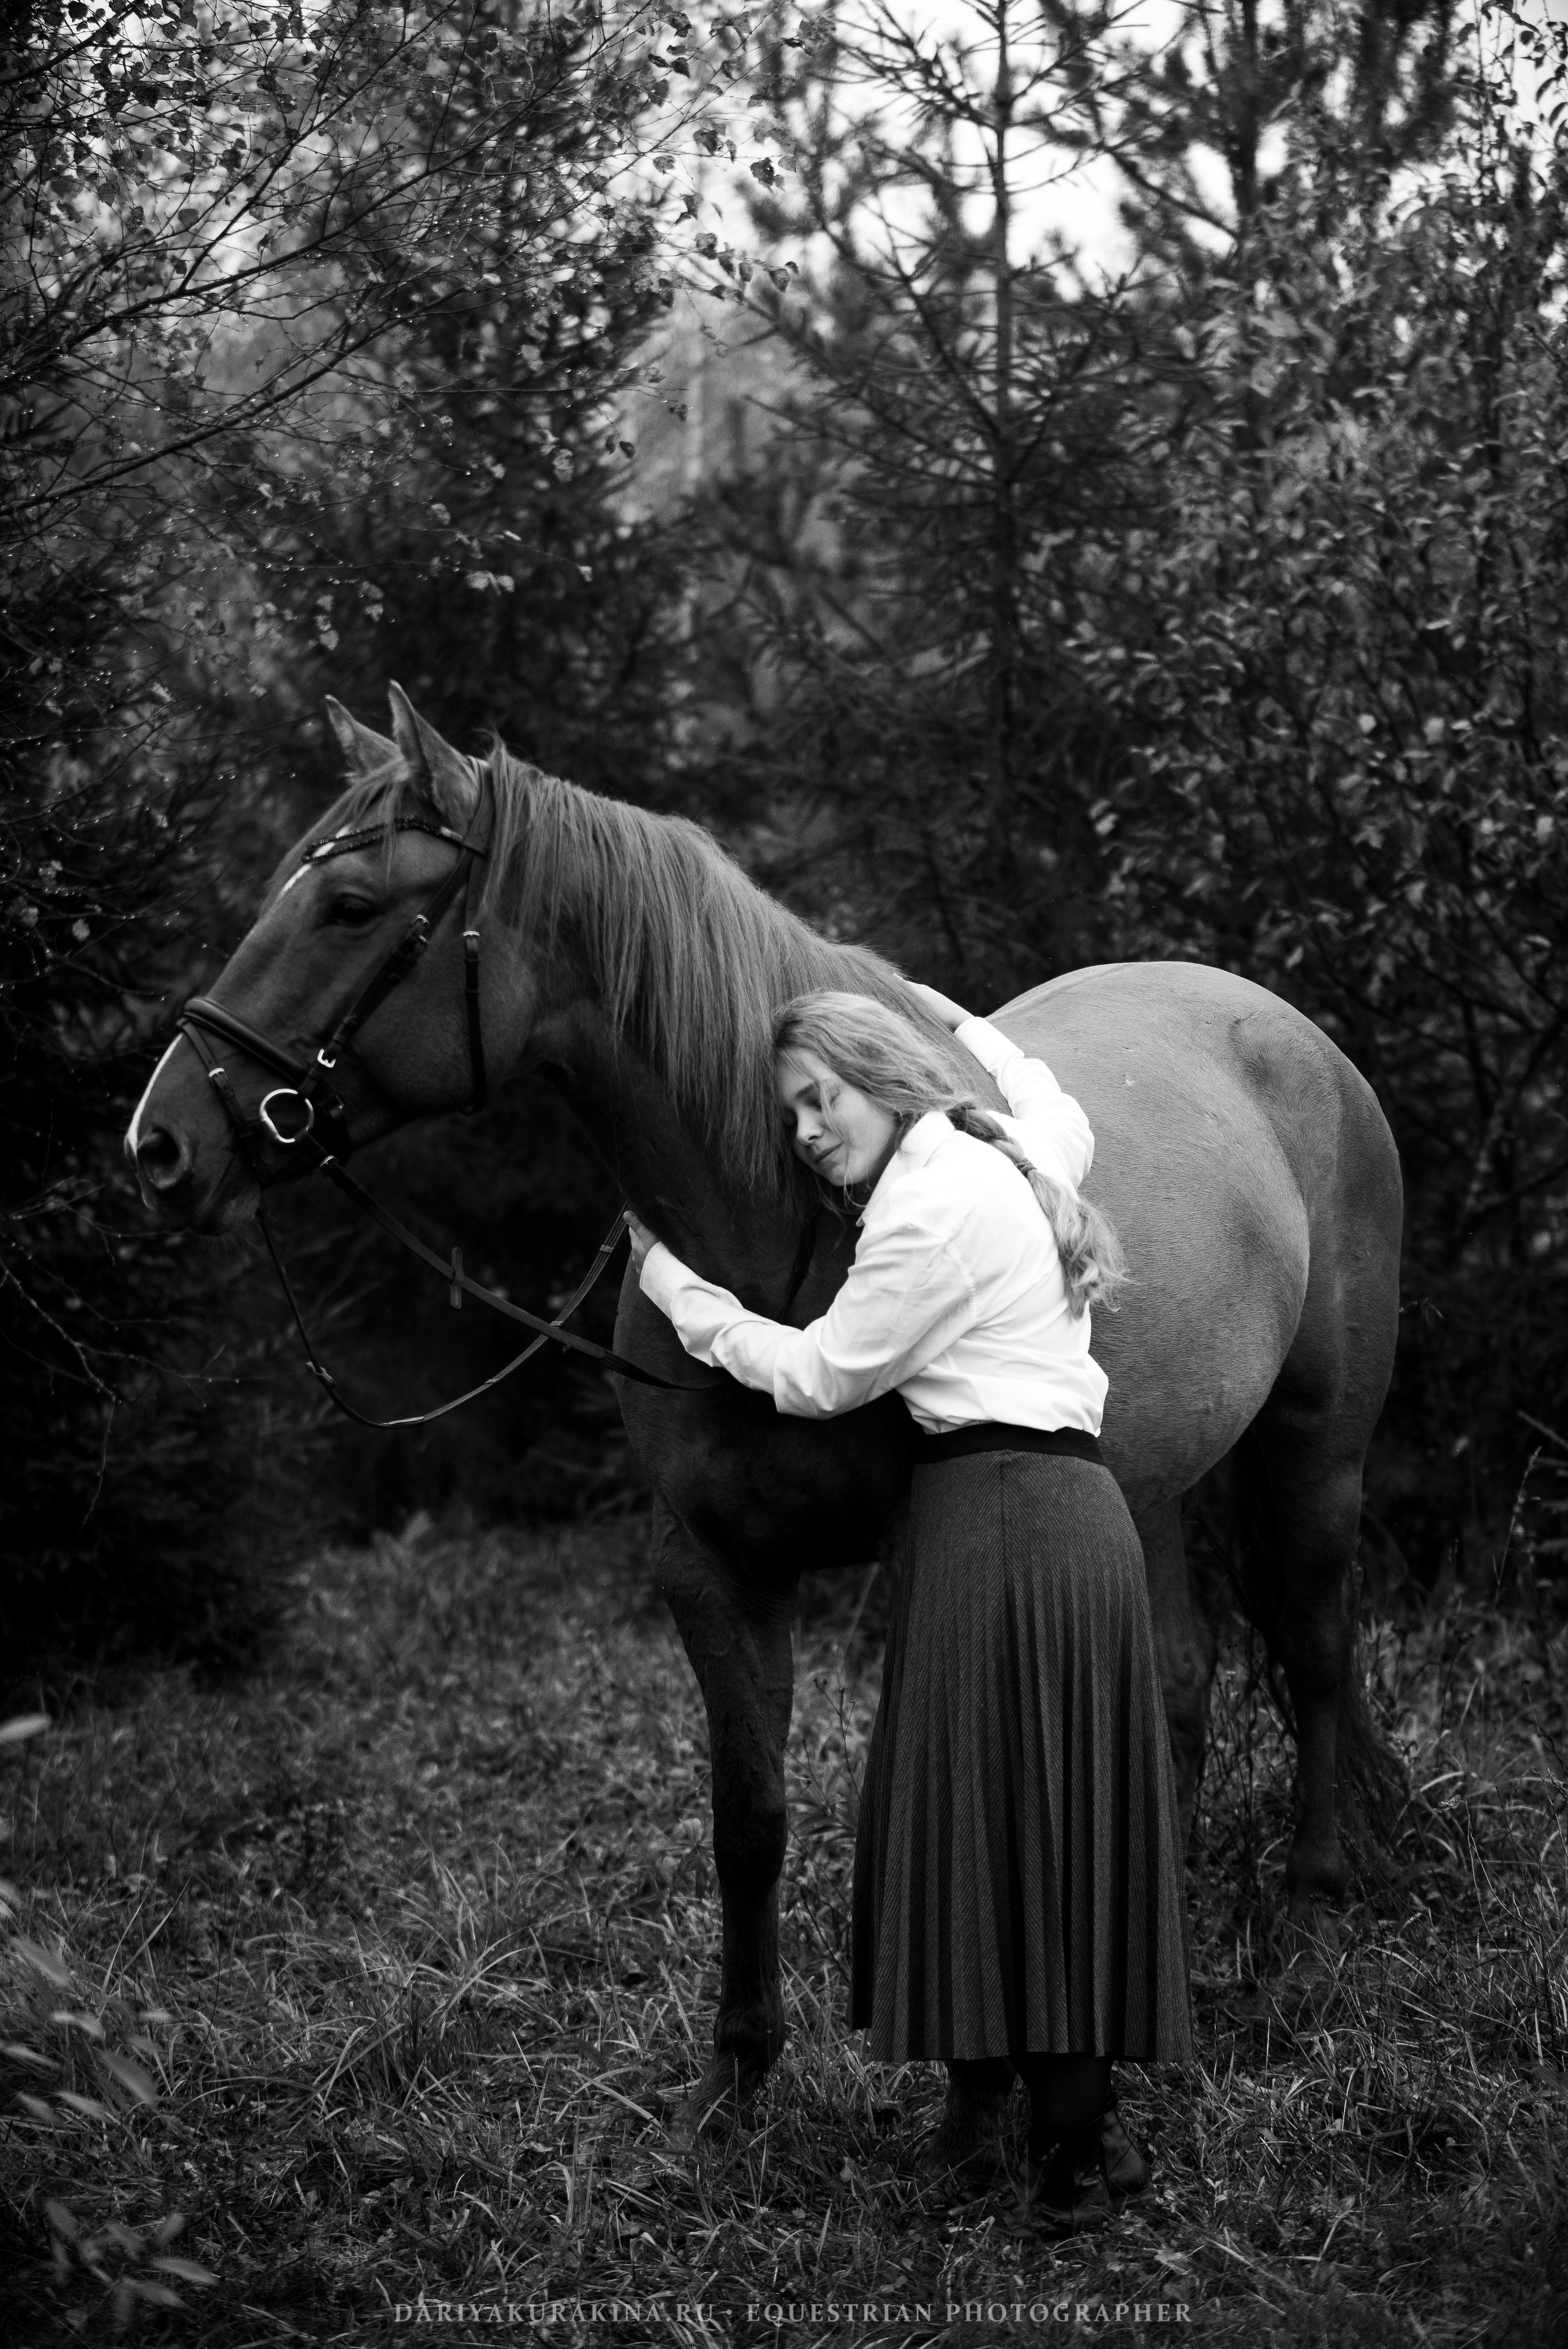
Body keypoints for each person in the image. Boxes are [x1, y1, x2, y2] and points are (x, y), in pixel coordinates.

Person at [625, 984, 1191, 2225]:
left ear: (884, 1079)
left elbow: (823, 1376)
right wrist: (955, 1016)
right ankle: (1086, 2137)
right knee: (1054, 1813)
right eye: (790, 1115)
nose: (808, 1132)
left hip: (997, 1516)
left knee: (1013, 1822)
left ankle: (1068, 2168)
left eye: (820, 1097)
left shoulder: (925, 1210)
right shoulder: (1017, 1149)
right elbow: (1043, 1088)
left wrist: (677, 1293)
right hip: (1063, 1517)